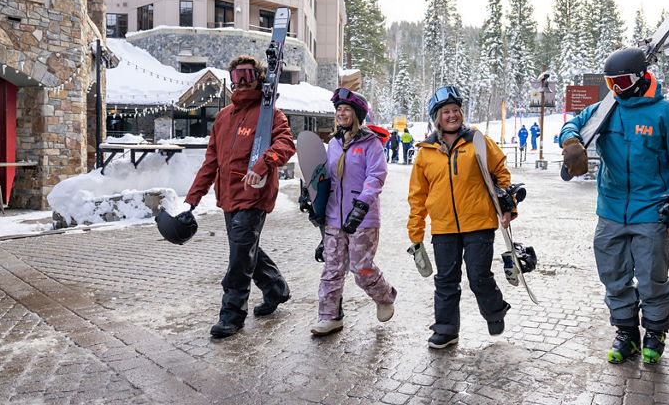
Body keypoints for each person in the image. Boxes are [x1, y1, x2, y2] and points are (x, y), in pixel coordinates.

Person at [558, 47, 669, 364]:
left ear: (639, 78)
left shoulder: (667, 114)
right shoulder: (606, 109)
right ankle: (626, 332)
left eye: (621, 81)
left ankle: (654, 330)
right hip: (610, 211)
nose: (615, 89)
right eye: (610, 83)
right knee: (614, 277)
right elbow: (572, 125)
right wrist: (571, 142)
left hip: (651, 211)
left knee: (652, 278)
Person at [186, 55, 296, 339]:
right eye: (236, 76)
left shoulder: (270, 113)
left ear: (259, 76)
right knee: (246, 250)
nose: (242, 81)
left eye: (247, 74)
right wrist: (192, 201)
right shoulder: (223, 118)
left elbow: (286, 144)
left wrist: (262, 165)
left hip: (255, 194)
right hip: (228, 196)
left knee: (238, 256)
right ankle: (276, 289)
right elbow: (210, 163)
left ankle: (232, 314)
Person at [407, 85, 515, 349]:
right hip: (443, 227)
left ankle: (494, 311)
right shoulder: (425, 152)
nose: (453, 115)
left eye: (456, 110)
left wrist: (508, 206)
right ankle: (446, 330)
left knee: (479, 275)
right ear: (437, 117)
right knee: (445, 280)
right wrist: (416, 233)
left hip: (478, 222)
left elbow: (501, 173)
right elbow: (417, 196)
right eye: (446, 111)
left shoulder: (477, 140)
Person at [311, 88, 397, 335]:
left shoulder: (371, 144)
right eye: (338, 110)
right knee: (332, 268)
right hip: (334, 218)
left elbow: (376, 175)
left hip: (363, 217)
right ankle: (330, 316)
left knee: (362, 268)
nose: (341, 113)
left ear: (357, 114)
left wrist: (362, 204)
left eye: (346, 109)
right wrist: (314, 198)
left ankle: (384, 295)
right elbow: (325, 176)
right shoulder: (334, 144)